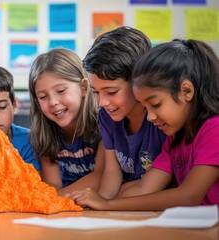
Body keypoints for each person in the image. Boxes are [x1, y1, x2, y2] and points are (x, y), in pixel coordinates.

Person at [70, 39, 219, 210]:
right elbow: (145, 187)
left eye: (155, 105)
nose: (150, 117)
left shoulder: (214, 129)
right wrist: (100, 206)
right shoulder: (176, 138)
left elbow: (189, 196)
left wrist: (107, 204)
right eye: (145, 107)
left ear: (186, 91)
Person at [82, 26, 166, 199]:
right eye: (96, 92)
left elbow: (161, 184)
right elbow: (112, 172)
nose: (102, 102)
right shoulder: (106, 116)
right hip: (126, 204)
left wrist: (108, 203)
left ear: (138, 82)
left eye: (111, 92)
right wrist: (100, 202)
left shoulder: (161, 119)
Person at [28, 48, 105, 196]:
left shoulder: (104, 123)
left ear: (83, 88)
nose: (53, 102)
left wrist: (56, 200)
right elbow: (52, 184)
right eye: (43, 97)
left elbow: (100, 175)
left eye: (61, 91)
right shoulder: (43, 133)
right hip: (68, 207)